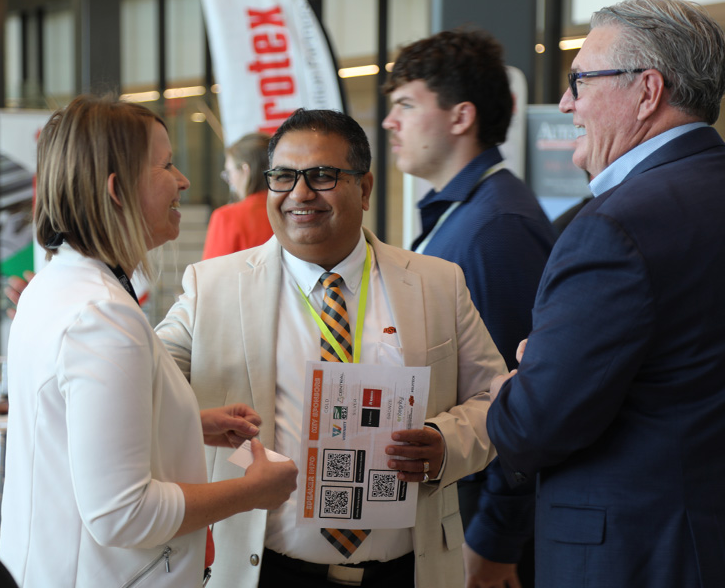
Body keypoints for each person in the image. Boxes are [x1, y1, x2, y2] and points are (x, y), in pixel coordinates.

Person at [154, 108, 508, 588]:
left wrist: (447, 445)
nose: (300, 193)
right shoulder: (213, 287)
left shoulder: (436, 284)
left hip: (409, 571)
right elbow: (143, 382)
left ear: (363, 189)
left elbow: (496, 400)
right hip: (267, 571)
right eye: (282, 176)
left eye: (322, 176)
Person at [0, 95, 297, 587]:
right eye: (167, 164)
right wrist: (252, 492)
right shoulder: (102, 316)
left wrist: (183, 422)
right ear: (117, 190)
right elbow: (123, 513)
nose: (183, 180)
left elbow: (76, 427)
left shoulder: (60, 285)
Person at [487, 0, 725, 586]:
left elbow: (533, 425)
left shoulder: (613, 228)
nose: (566, 103)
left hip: (633, 557)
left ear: (648, 91)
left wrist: (513, 385)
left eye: (579, 82)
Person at [383, 28, 555, 588]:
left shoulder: (496, 228)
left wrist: (495, 540)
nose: (390, 122)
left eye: (406, 105)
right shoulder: (465, 214)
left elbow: (522, 398)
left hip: (483, 525)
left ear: (460, 117)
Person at [202, 132, 275, 259]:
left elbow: (211, 275)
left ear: (245, 169)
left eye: (229, 172)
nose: (230, 181)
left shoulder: (227, 217)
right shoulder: (290, 212)